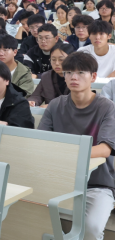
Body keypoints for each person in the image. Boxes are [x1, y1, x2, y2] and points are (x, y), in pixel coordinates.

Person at [38, 52, 115, 240]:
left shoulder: (107, 107)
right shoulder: (55, 105)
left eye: (81, 72)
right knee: (31, 219)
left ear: (93, 77)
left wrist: (64, 152)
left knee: (92, 228)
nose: (74, 77)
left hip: (98, 183)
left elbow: (104, 149)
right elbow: (40, 143)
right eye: (69, 72)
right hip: (59, 178)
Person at [28, 42, 74, 107]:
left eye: (61, 59)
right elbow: (37, 95)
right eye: (53, 59)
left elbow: (78, 102)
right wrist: (32, 102)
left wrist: (52, 106)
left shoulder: (77, 77)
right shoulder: (46, 76)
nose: (57, 63)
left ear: (72, 60)